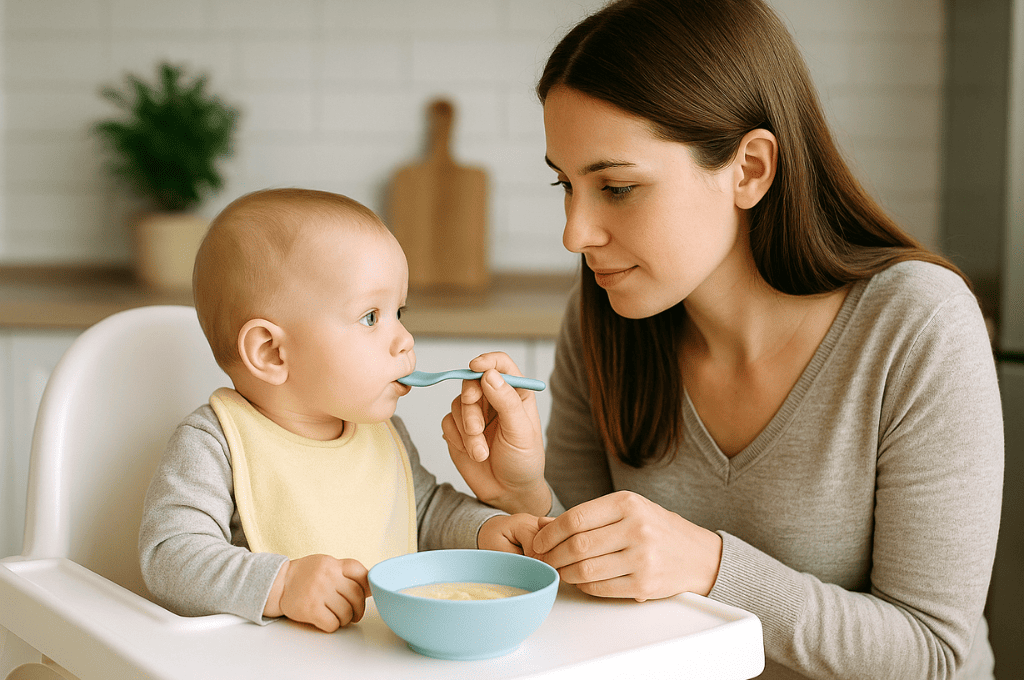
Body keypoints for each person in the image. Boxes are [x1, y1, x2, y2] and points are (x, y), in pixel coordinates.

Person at [441, 1, 1004, 678]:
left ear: (750, 169)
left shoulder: (917, 325)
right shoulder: (601, 318)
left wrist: (711, 566)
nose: (575, 233)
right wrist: (526, 496)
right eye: (566, 184)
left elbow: (934, 652)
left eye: (617, 187)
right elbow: (597, 595)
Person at [139, 188, 544, 633]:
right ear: (271, 352)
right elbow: (169, 557)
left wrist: (486, 531)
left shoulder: (382, 432)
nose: (404, 339)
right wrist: (283, 584)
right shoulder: (215, 442)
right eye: (371, 316)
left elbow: (424, 513)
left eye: (399, 311)